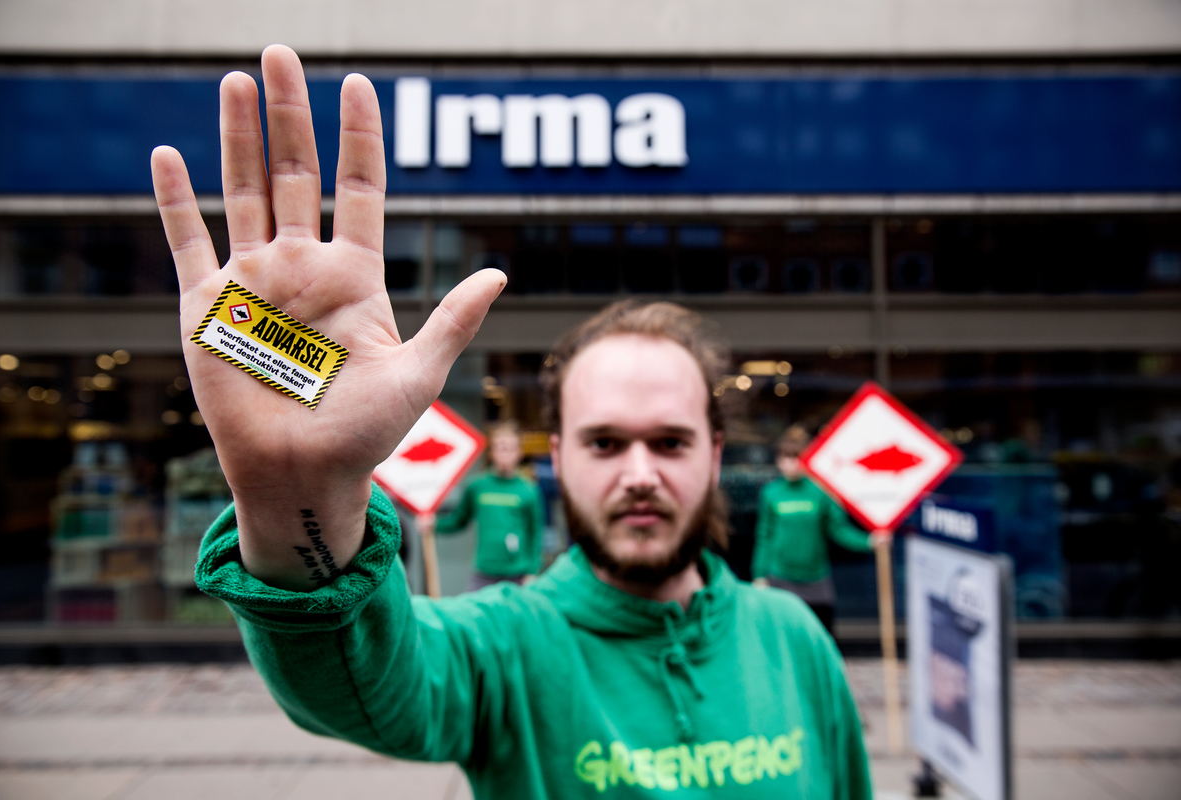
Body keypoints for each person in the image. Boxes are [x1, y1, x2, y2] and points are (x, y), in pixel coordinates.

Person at [151, 45, 871, 798]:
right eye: (604, 441)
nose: (639, 472)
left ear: (715, 453)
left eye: (670, 441)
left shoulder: (794, 642)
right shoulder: (504, 645)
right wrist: (299, 499)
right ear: (558, 454)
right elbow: (365, 693)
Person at [752, 426, 883, 636]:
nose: (791, 464)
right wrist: (759, 574)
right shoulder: (771, 493)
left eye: (797, 458)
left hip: (816, 578)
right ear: (778, 461)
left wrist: (869, 541)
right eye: (786, 458)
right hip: (780, 577)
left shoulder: (821, 491)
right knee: (783, 637)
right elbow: (764, 536)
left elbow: (839, 529)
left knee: (820, 636)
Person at [421, 421, 545, 589]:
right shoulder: (477, 486)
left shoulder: (529, 490)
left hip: (517, 574)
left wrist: (532, 572)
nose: (504, 452)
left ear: (519, 452)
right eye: (500, 447)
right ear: (492, 452)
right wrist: (434, 525)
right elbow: (458, 521)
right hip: (484, 573)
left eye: (509, 448)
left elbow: (535, 534)